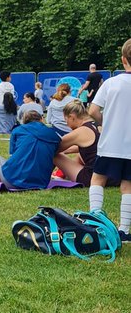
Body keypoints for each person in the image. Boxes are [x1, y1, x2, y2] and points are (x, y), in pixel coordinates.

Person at [87, 38, 131, 243]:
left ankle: (95, 221)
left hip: (110, 141)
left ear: (123, 60)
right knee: (128, 186)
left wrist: (106, 121)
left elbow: (93, 110)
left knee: (98, 179)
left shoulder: (112, 83)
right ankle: (124, 230)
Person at [0, 106, 61, 189]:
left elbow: (13, 155)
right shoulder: (53, 135)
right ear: (41, 119)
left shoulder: (18, 130)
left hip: (13, 181)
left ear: (25, 122)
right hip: (41, 183)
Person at [52, 99, 110, 187]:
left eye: (66, 120)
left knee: (55, 155)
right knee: (80, 155)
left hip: (93, 178)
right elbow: (92, 147)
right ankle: (62, 175)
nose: (67, 124)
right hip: (112, 176)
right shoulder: (98, 125)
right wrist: (67, 151)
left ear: (72, 117)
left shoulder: (80, 131)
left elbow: (53, 148)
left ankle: (50, 176)